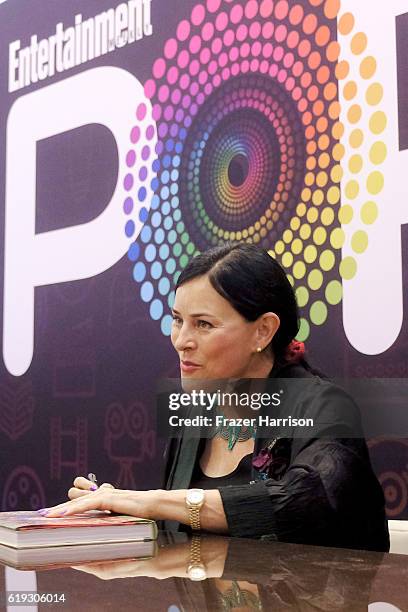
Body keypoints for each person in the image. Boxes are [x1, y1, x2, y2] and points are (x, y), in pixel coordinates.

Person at [40, 244, 389, 552]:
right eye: (178, 321)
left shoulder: (324, 406)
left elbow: (307, 501)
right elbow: (182, 540)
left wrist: (154, 502)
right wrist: (125, 512)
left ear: (263, 331)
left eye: (204, 324)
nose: (181, 341)